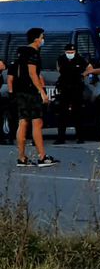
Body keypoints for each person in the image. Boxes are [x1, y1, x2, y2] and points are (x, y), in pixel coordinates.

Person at [12, 28, 58, 167]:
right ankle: (42, 157)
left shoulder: (21, 52)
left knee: (23, 122)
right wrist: (42, 92)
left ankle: (22, 158)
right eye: (42, 37)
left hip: (20, 90)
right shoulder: (33, 53)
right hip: (30, 91)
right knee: (37, 122)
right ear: (36, 38)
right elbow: (33, 73)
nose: (43, 39)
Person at [55, 41, 88, 144]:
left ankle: (80, 137)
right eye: (68, 51)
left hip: (76, 88)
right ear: (65, 52)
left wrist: (84, 75)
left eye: (72, 51)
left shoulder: (80, 59)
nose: (70, 53)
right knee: (62, 113)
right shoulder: (61, 59)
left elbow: (89, 67)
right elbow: (58, 69)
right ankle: (61, 137)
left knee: (77, 112)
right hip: (64, 88)